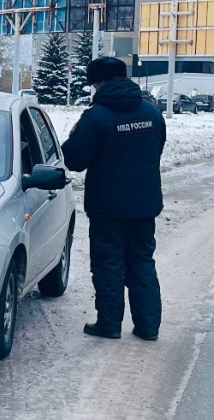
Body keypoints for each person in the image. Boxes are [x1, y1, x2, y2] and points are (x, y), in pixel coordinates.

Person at [61, 57, 166, 341]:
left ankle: (109, 324)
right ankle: (148, 327)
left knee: (108, 263)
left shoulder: (96, 116)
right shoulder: (152, 113)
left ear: (98, 83)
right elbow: (158, 148)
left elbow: (74, 159)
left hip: (107, 207)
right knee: (142, 262)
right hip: (144, 205)